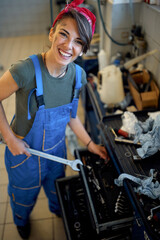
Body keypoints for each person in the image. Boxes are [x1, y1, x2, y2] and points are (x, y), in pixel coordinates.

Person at [0, 0, 108, 239]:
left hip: (57, 153)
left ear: (83, 49)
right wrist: (9, 139)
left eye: (78, 41)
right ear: (51, 33)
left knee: (56, 188)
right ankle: (21, 220)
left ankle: (57, 210)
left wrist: (91, 145)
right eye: (64, 34)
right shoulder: (26, 70)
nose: (69, 46)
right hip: (25, 155)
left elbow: (72, 118)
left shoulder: (77, 75)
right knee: (24, 195)